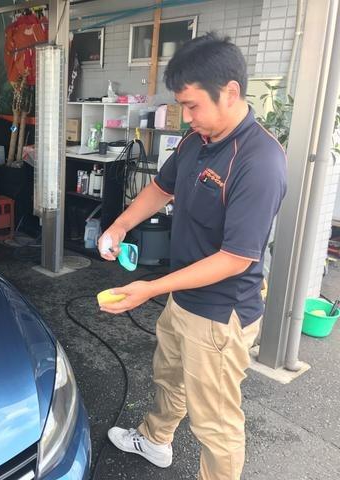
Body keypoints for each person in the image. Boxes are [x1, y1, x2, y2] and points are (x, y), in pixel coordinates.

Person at [97, 33, 287, 479]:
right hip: (182, 295)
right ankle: (156, 440)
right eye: (182, 106)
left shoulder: (259, 161)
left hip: (220, 314)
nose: (186, 116)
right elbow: (161, 188)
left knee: (215, 423)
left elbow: (235, 258)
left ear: (230, 93)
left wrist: (150, 288)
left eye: (192, 105)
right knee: (169, 378)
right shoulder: (196, 139)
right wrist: (120, 225)